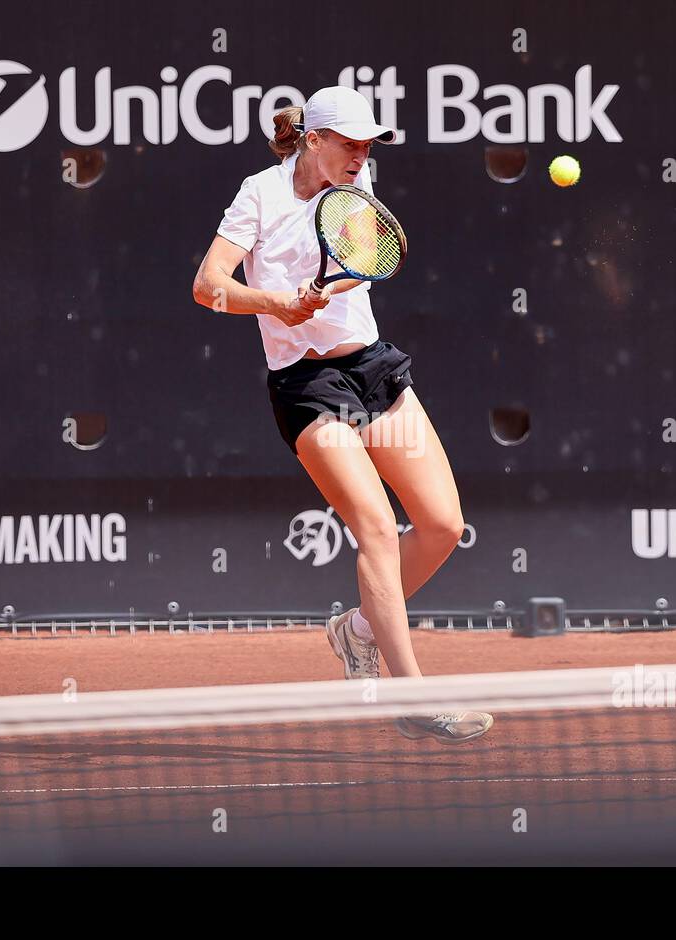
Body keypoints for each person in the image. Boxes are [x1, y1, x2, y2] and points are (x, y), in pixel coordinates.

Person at [191, 87, 491, 744]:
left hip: (373, 370)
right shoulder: (260, 194)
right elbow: (208, 283)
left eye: (368, 146)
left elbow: (363, 261)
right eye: (349, 144)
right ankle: (412, 696)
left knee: (442, 524)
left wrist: (324, 292)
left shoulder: (354, 185)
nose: (361, 157)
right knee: (378, 529)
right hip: (307, 386)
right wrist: (275, 301)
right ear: (315, 141)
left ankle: (355, 630)